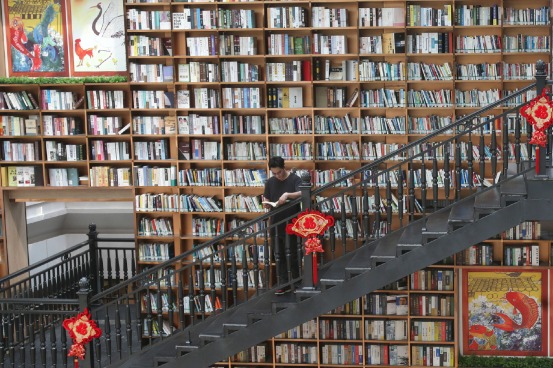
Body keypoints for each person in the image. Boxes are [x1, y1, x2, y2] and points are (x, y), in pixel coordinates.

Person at [263, 156, 302, 295]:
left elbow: (302, 192)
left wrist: (287, 195)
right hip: (275, 222)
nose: (277, 175)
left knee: (293, 253)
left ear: (284, 167)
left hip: (292, 222)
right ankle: (284, 283)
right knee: (279, 255)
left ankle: (297, 282)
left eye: (279, 172)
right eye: (274, 173)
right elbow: (266, 197)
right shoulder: (270, 182)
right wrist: (266, 203)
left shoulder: (294, 179)